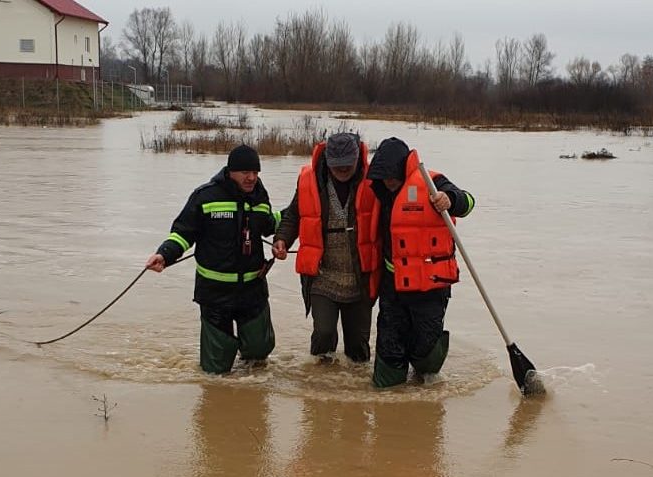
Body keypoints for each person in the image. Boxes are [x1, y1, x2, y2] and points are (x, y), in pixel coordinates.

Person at [146, 144, 279, 373]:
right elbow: (183, 233)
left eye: (256, 173)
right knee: (215, 372)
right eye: (246, 173)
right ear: (231, 171)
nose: (251, 178)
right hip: (214, 294)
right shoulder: (205, 196)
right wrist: (164, 254)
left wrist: (293, 220)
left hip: (253, 290)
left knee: (259, 353)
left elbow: (269, 225)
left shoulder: (260, 196)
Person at [366, 137, 475, 388]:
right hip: (392, 287)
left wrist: (450, 199)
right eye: (383, 176)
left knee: (425, 354)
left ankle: (425, 369)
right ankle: (387, 396)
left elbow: (468, 202)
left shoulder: (432, 181)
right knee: (389, 354)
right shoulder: (379, 192)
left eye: (391, 175)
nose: (388, 180)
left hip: (430, 288)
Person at [272, 133, 381, 363]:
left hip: (359, 277)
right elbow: (293, 215)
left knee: (358, 347)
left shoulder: (375, 180)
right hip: (322, 276)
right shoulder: (309, 180)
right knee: (323, 334)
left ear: (357, 159)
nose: (342, 171)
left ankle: (356, 392)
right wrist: (281, 239)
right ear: (328, 161)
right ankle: (318, 390)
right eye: (337, 166)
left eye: (347, 166)